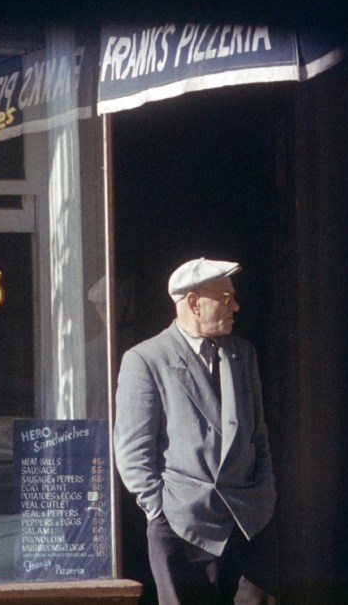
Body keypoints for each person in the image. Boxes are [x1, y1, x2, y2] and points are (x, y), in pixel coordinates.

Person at [114, 258, 277, 605]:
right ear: (192, 302)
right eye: (225, 296)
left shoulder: (242, 354)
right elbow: (132, 452)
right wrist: (161, 510)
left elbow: (258, 433)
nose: (235, 305)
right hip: (181, 527)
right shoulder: (145, 359)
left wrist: (264, 490)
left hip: (246, 520)